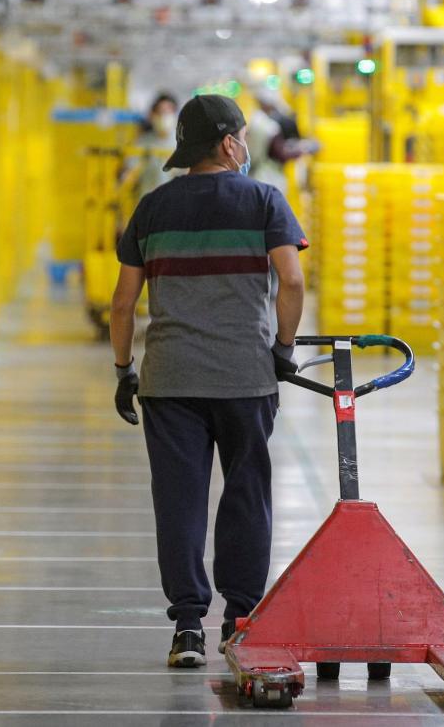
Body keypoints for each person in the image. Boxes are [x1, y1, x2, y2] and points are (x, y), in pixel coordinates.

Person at [109, 94, 308, 668]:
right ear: (229, 143)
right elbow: (291, 283)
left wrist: (124, 372)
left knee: (179, 501)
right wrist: (284, 349)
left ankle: (189, 627)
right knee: (246, 494)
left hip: (169, 381)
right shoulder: (265, 200)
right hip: (246, 377)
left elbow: (124, 304)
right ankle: (240, 622)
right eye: (243, 136)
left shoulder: (152, 207)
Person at [135, 93, 180, 194]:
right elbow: (130, 171)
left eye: (168, 112)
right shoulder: (142, 142)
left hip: (176, 202)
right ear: (153, 115)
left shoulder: (183, 141)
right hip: (148, 200)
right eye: (161, 112)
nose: (164, 116)